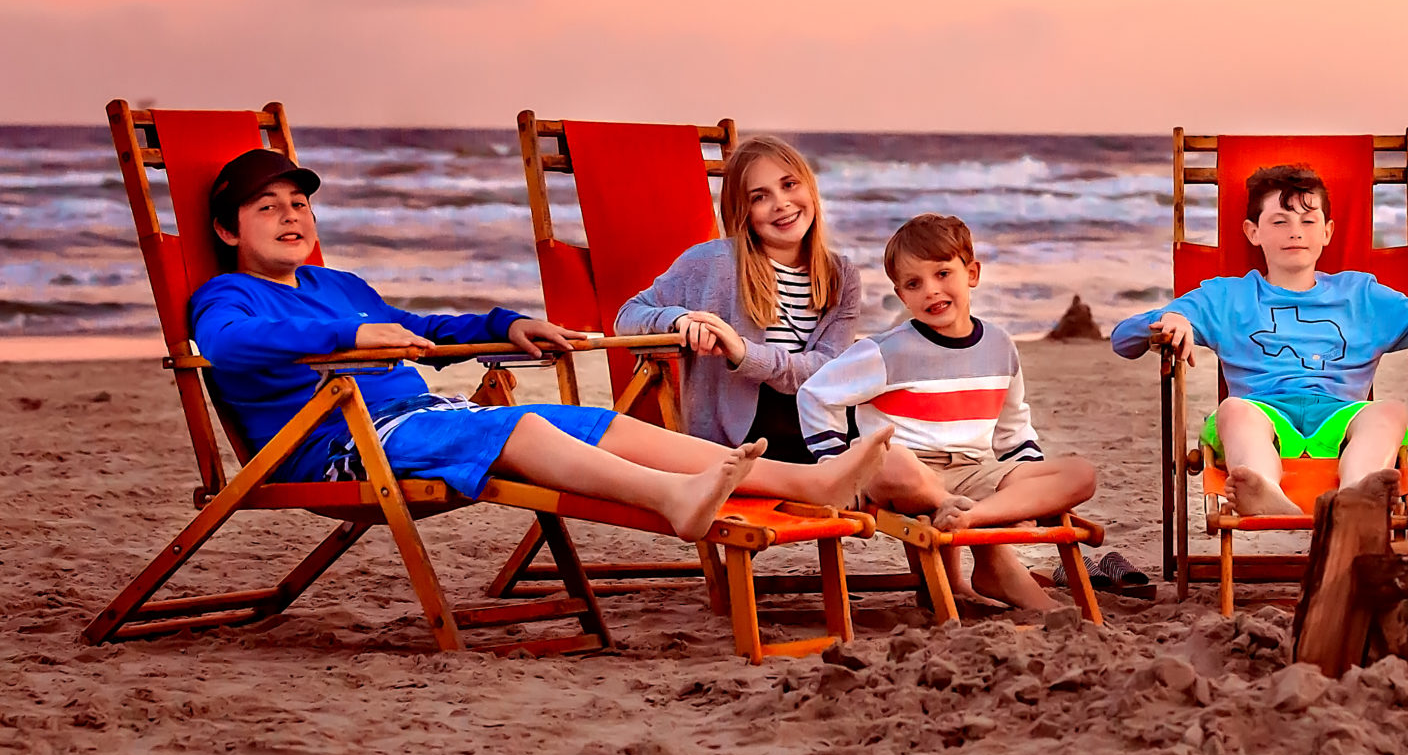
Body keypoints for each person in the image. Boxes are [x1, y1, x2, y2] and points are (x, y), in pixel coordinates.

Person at [189, 149, 886, 543]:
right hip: (340, 446)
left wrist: (504, 324)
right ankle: (674, 500)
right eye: (267, 207)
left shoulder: (335, 282)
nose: (290, 216)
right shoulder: (228, 297)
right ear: (227, 231)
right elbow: (229, 347)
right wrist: (351, 334)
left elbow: (422, 327)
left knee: (595, 422)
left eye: (299, 203)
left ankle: (805, 482)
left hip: (418, 419)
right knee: (519, 423)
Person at [1108, 162, 1408, 516]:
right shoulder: (1227, 297)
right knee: (1233, 409)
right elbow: (1124, 339)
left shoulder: (1361, 295)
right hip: (1263, 414)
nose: (1295, 232)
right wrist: (1170, 320)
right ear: (1253, 232)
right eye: (1279, 221)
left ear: (1327, 231)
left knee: (1389, 411)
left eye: (1308, 221)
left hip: (1341, 418)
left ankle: (1356, 494)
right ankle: (1262, 490)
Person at [798, 214, 1097, 613]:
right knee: (889, 460)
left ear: (971, 273)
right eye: (913, 284)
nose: (931, 291)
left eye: (942, 273)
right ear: (901, 296)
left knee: (1080, 473)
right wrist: (837, 465)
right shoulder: (886, 350)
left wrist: (1025, 495)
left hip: (976, 470)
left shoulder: (999, 345)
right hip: (913, 473)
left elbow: (1013, 430)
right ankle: (958, 515)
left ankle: (972, 518)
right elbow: (815, 394)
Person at [616, 134, 863, 460]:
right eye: (760, 197)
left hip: (821, 419)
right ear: (742, 211)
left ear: (810, 189)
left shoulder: (841, 275)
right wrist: (679, 319)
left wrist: (745, 353)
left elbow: (829, 371)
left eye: (789, 185)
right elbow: (628, 316)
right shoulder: (713, 262)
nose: (781, 203)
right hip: (748, 433)